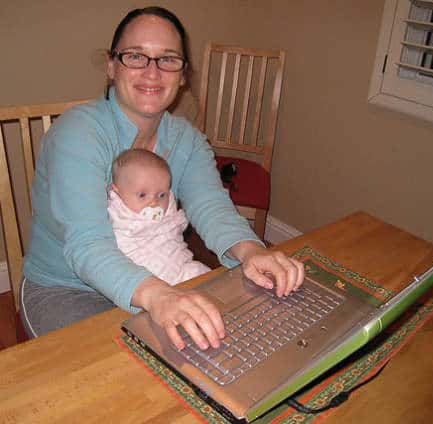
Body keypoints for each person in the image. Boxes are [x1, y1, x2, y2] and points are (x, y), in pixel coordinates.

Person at [21, 6, 304, 351]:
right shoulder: (78, 134)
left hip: (158, 275)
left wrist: (249, 251)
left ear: (182, 75)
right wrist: (158, 295)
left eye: (168, 59)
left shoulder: (187, 140)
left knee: (230, 338)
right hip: (67, 289)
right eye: (136, 56)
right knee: (136, 375)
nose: (152, 72)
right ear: (112, 66)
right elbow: (87, 244)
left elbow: (211, 205)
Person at [108, 148, 210, 284]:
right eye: (142, 195)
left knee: (205, 276)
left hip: (180, 268)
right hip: (144, 279)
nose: (154, 202)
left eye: (162, 195)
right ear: (117, 192)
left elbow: (173, 231)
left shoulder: (168, 210)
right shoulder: (117, 215)